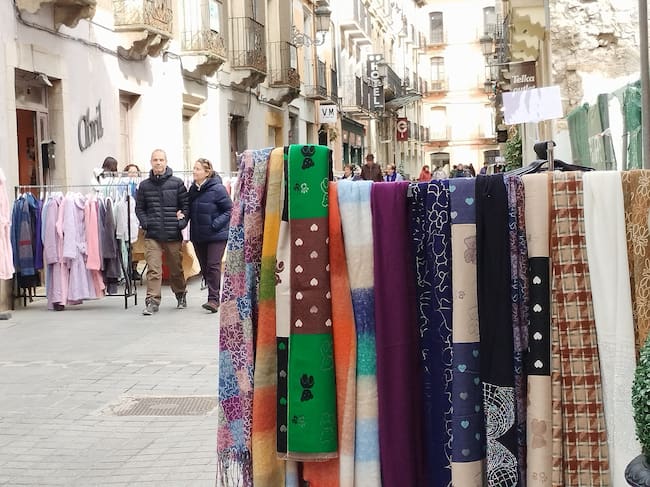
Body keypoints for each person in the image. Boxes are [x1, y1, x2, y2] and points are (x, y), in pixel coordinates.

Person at [135, 149, 189, 315]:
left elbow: (186, 206)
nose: (158, 162)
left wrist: (180, 223)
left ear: (166, 162)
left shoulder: (177, 183)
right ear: (151, 162)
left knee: (176, 268)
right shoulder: (144, 186)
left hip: (173, 234)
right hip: (153, 235)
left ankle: (180, 294)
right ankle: (152, 301)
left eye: (161, 160)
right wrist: (146, 223)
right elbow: (139, 208)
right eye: (155, 160)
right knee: (154, 269)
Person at [187, 158, 232, 313]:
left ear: (207, 172)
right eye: (194, 168)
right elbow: (189, 209)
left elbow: (230, 209)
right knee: (205, 267)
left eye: (198, 169)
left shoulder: (218, 189)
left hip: (216, 235)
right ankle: (213, 294)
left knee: (213, 265)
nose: (194, 171)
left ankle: (213, 300)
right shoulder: (193, 189)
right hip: (199, 235)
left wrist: (215, 224)